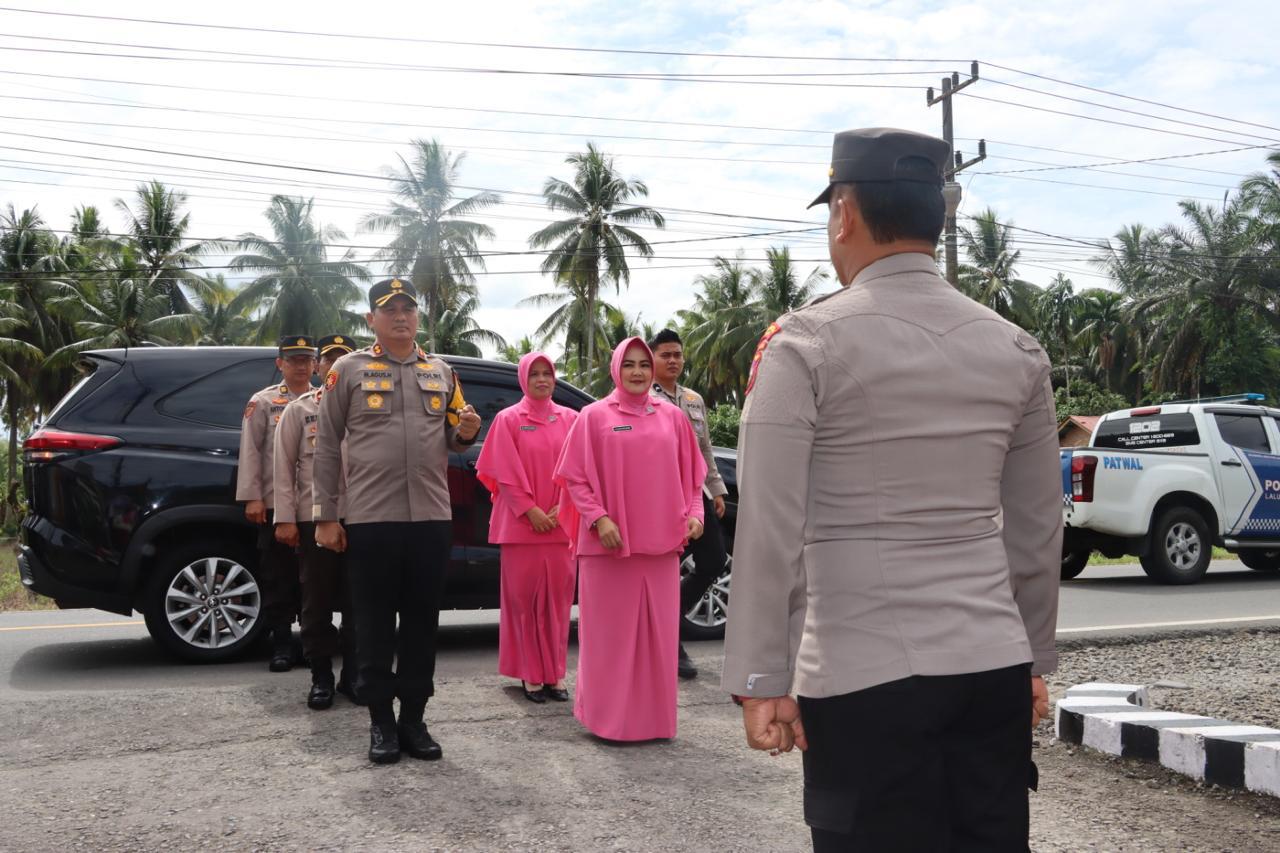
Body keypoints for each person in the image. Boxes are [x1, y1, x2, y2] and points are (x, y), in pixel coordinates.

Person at [721, 127, 1061, 851]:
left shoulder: (805, 344)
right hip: (991, 666)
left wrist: (761, 676)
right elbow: (1036, 528)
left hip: (860, 671)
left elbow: (769, 529)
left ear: (843, 213)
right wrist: (1032, 658)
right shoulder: (1017, 348)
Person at [313, 278, 482, 764]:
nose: (401, 316)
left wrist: (466, 432)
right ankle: (381, 724)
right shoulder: (347, 370)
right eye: (390, 310)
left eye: (408, 308)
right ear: (371, 320)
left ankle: (413, 720)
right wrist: (326, 516)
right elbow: (326, 445)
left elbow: (457, 433)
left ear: (418, 316)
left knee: (422, 624)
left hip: (430, 517)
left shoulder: (442, 371)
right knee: (372, 625)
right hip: (370, 519)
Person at [553, 337, 706, 742]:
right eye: (629, 365)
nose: (637, 372)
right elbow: (574, 476)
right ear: (615, 369)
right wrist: (599, 519)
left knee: (657, 639)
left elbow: (693, 475)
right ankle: (607, 722)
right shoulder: (593, 416)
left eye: (643, 365)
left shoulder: (672, 416)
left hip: (661, 547)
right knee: (611, 640)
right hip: (608, 549)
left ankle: (654, 723)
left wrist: (695, 514)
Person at [475, 352, 579, 704]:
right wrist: (530, 510)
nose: (541, 379)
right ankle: (529, 675)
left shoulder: (571, 419)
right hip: (521, 527)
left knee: (558, 603)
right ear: (523, 379)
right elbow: (502, 472)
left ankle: (554, 675)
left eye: (547, 373)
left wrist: (560, 507)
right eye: (533, 374)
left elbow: (580, 471)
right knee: (523, 603)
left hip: (561, 525)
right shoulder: (508, 419)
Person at [273, 334, 358, 711]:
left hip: (362, 516)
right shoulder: (299, 409)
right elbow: (283, 468)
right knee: (317, 601)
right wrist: (285, 519)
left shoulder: (369, 406)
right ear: (321, 366)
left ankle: (354, 676)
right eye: (330, 360)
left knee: (361, 602)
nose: (335, 365)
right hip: (314, 519)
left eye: (344, 358)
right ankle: (321, 676)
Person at [648, 328, 730, 680]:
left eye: (677, 355)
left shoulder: (693, 400)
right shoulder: (644, 399)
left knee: (713, 560)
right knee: (665, 570)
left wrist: (718, 490)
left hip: (697, 495)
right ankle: (671, 645)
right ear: (652, 358)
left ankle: (673, 616)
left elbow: (705, 450)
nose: (673, 361)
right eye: (665, 354)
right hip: (663, 499)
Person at [236, 334, 317, 672]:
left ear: (314, 363)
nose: (300, 365)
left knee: (314, 579)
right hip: (273, 504)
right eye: (293, 359)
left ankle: (315, 644)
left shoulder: (324, 399)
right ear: (279, 363)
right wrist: (253, 497)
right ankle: (282, 643)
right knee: (277, 575)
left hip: (314, 504)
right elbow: (251, 451)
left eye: (306, 359)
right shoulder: (264, 401)